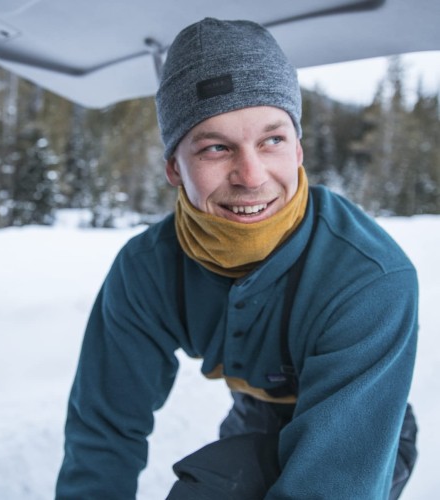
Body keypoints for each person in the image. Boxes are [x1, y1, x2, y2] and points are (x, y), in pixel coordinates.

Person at [55, 18, 418, 499]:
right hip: (255, 409)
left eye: (272, 141)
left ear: (299, 149)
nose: (251, 175)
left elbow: (333, 486)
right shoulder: (148, 270)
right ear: (174, 168)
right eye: (215, 148)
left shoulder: (369, 277)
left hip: (366, 424)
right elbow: (103, 433)